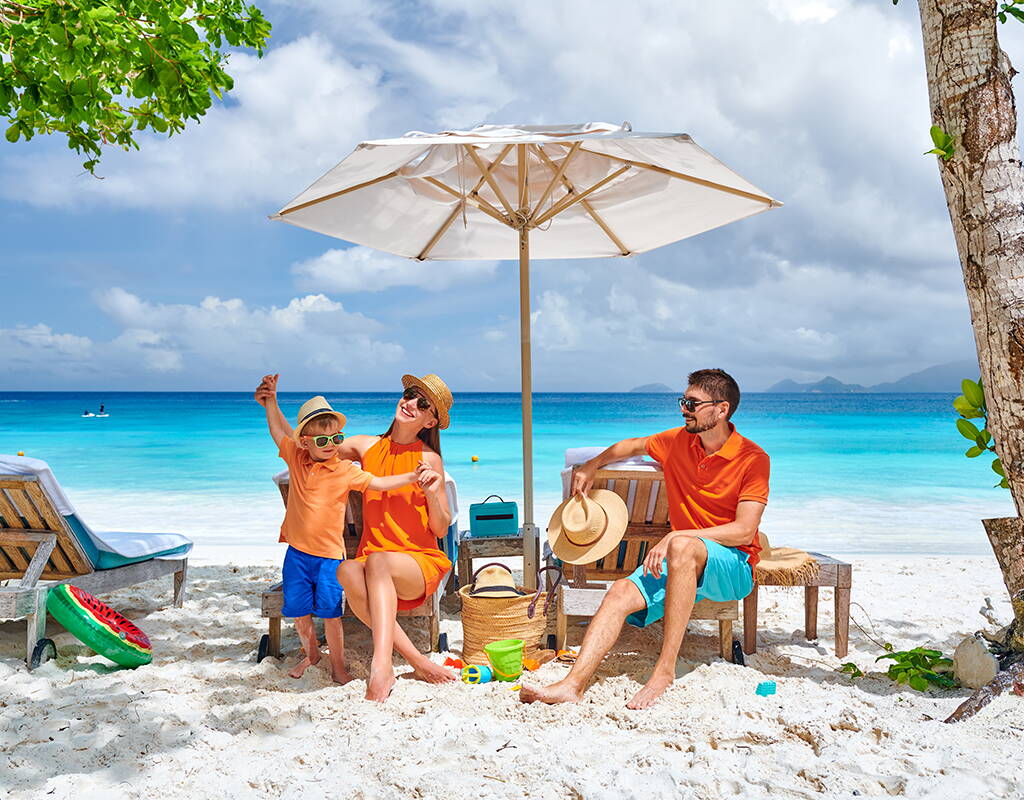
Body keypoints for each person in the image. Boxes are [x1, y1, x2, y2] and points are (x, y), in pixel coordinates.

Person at [520, 368, 769, 709]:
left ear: (721, 409)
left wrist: (678, 535)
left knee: (681, 545)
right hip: (681, 561)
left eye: (692, 403)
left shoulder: (753, 459)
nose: (684, 408)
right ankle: (572, 684)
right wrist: (592, 464)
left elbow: (743, 530)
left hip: (732, 566)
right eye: (683, 401)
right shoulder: (679, 441)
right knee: (620, 590)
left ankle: (664, 672)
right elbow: (630, 445)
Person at [255, 372, 457, 702]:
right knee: (346, 570)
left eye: (422, 404)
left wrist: (434, 494)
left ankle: (382, 667)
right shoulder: (365, 445)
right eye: (409, 395)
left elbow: (440, 529)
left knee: (373, 562)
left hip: (416, 563)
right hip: (370, 562)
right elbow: (310, 440)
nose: (410, 404)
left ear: (431, 420)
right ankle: (416, 661)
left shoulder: (428, 459)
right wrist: (272, 404)